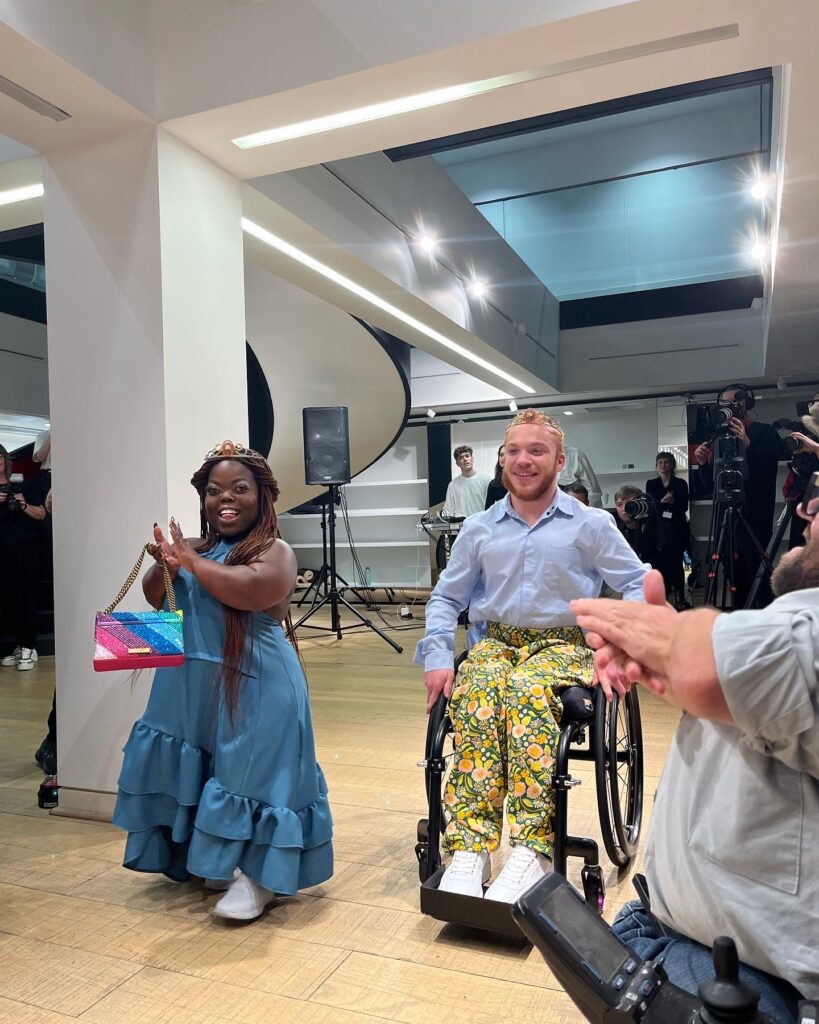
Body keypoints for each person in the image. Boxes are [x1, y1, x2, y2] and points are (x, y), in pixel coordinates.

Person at [570, 477, 819, 1022]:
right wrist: (669, 649)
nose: (805, 508)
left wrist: (675, 639)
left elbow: (737, 667)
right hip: (673, 926)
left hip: (752, 978)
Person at [415, 410, 648, 903]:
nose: (523, 461)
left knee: (525, 695)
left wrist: (622, 648)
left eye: (536, 451)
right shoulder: (479, 529)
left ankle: (531, 848)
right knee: (477, 693)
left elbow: (637, 584)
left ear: (559, 461)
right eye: (513, 451)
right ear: (503, 461)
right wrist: (437, 655)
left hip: (563, 644)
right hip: (496, 642)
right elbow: (444, 599)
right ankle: (470, 848)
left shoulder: (590, 524)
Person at [113, 440, 333, 921]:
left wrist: (191, 562)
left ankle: (261, 878)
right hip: (197, 681)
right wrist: (168, 566)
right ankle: (219, 857)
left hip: (259, 682)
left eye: (239, 489)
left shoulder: (275, 550)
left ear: (263, 496)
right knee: (216, 769)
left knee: (256, 776)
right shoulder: (198, 549)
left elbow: (255, 590)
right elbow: (157, 596)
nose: (225, 499)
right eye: (214, 491)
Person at [694, 384, 779, 607]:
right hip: (726, 520)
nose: (731, 406)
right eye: (726, 403)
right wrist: (704, 464)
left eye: (736, 400)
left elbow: (765, 472)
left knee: (760, 574)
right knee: (734, 575)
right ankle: (742, 619)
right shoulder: (720, 439)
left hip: (756, 517)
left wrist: (747, 446)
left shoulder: (766, 433)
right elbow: (712, 485)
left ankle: (769, 621)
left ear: (747, 403)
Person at [0, 444, 47, 672]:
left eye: (1, 457)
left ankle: (29, 646)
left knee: (26, 597)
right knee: (8, 600)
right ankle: (18, 644)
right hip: (2, 550)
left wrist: (23, 504)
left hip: (25, 548)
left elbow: (41, 513)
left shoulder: (24, 486)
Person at [645, 452, 690, 609]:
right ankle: (662, 598)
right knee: (660, 564)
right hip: (658, 530)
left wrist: (673, 501)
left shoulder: (680, 484)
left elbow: (684, 506)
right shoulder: (651, 484)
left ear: (672, 465)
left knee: (677, 563)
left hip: (676, 528)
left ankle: (680, 597)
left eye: (666, 462)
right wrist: (663, 502)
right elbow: (651, 505)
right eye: (660, 462)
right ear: (656, 466)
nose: (663, 465)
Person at [614, 484, 660, 564]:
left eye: (629, 503)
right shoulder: (614, 530)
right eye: (619, 504)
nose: (624, 508)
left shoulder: (654, 528)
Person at [444, 445, 490, 518]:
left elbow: (492, 507)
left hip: (481, 524)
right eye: (461, 458)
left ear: (472, 459)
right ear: (457, 463)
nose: (465, 459)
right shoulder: (453, 485)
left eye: (467, 456)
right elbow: (448, 510)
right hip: (461, 526)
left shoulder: (486, 480)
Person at [484, 444, 507, 508]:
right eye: (501, 455)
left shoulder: (520, 481)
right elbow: (488, 510)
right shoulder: (493, 484)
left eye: (506, 454)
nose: (503, 457)